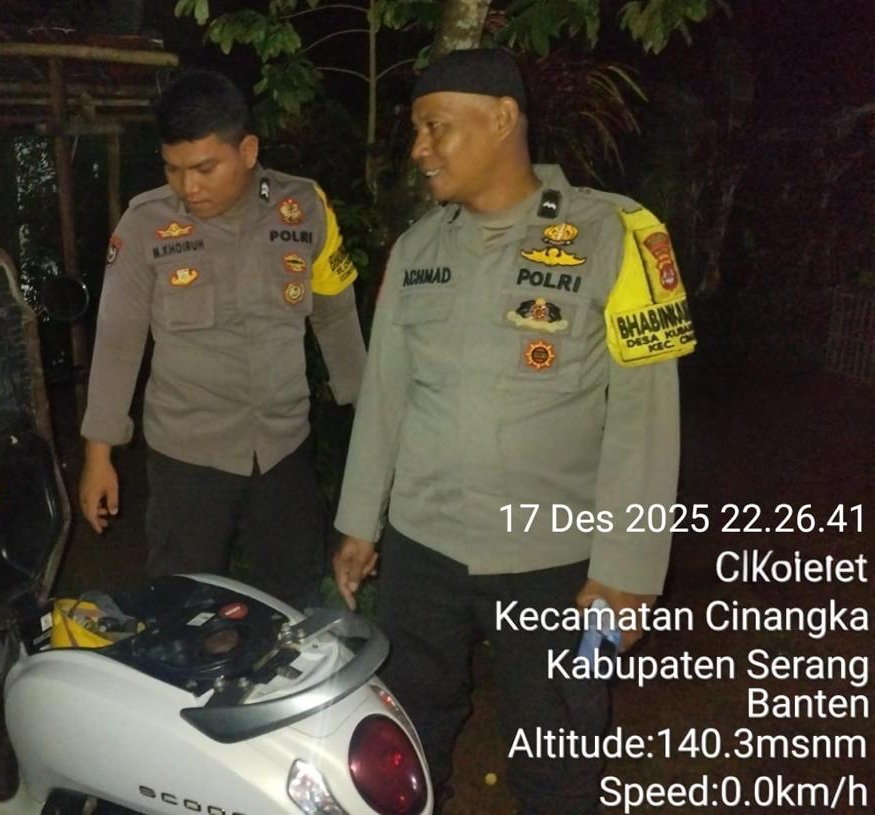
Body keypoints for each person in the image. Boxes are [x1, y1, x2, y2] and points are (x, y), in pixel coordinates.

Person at [332, 48, 694, 813]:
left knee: (558, 749)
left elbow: (646, 413)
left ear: (502, 119)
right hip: (424, 549)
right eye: (416, 129)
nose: (419, 148)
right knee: (406, 734)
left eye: (435, 126)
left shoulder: (617, 234)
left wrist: (627, 569)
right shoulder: (416, 248)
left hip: (554, 561)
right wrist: (360, 520)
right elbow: (386, 395)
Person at [79, 68, 366, 607]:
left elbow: (335, 315)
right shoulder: (145, 225)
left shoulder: (304, 207)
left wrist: (368, 423)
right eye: (173, 169)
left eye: (204, 168)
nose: (189, 187)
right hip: (187, 457)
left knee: (293, 601)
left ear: (247, 150)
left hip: (284, 449)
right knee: (182, 604)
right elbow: (118, 341)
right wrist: (99, 455)